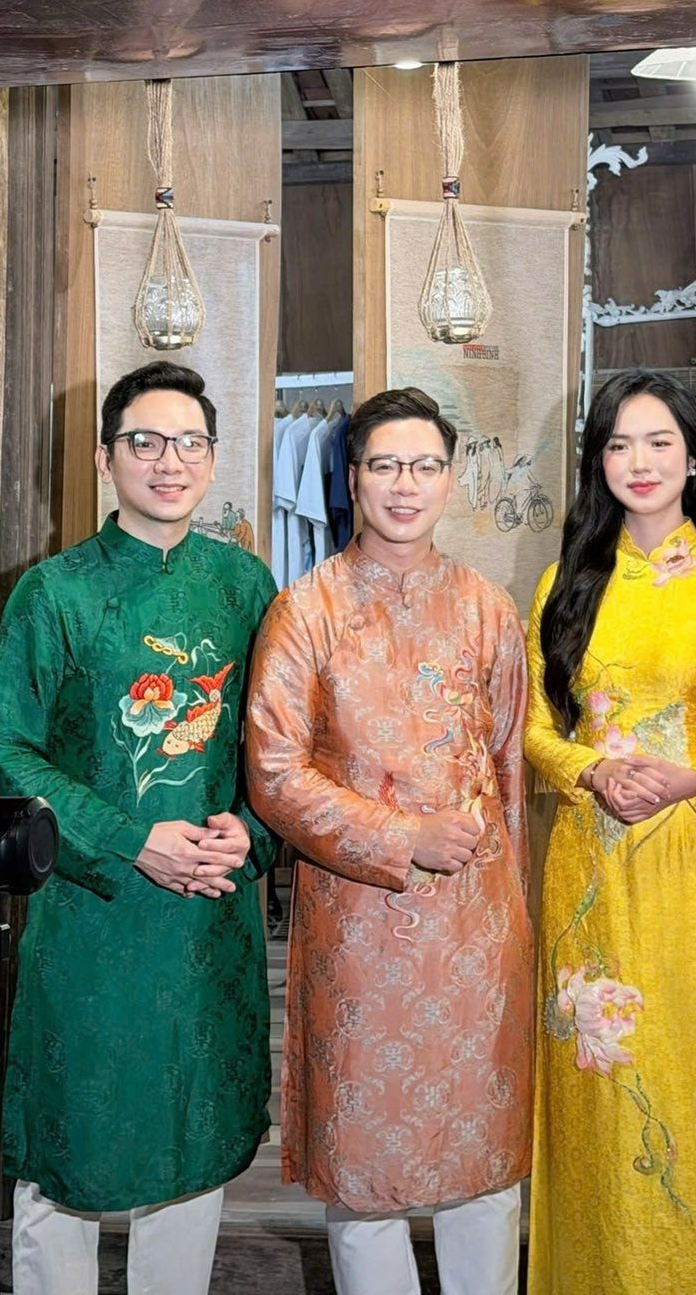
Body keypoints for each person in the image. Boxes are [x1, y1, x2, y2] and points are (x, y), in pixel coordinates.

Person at [0, 360, 277, 1295]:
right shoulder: (54, 592)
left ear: (213, 459)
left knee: (192, 1142)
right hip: (90, 915)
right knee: (67, 1149)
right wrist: (130, 839)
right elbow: (6, 755)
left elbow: (278, 748)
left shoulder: (245, 584)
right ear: (106, 459)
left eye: (189, 443)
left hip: (206, 919)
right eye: (144, 442)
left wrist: (252, 835)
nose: (168, 461)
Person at [245, 386, 531, 1295]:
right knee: (363, 1172)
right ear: (352, 478)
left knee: (484, 1161)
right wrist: (404, 836)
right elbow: (275, 775)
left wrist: (516, 916)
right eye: (385, 465)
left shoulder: (488, 608)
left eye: (425, 466)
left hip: (478, 931)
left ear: (450, 478)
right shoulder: (306, 610)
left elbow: (510, 774)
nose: (405, 485)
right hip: (359, 928)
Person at [525, 368, 696, 1295]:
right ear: (596, 461)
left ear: (694, 458)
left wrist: (693, 777)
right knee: (602, 1088)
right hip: (591, 868)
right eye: (618, 444)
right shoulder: (565, 582)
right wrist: (591, 770)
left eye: (658, 442)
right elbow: (534, 729)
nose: (638, 462)